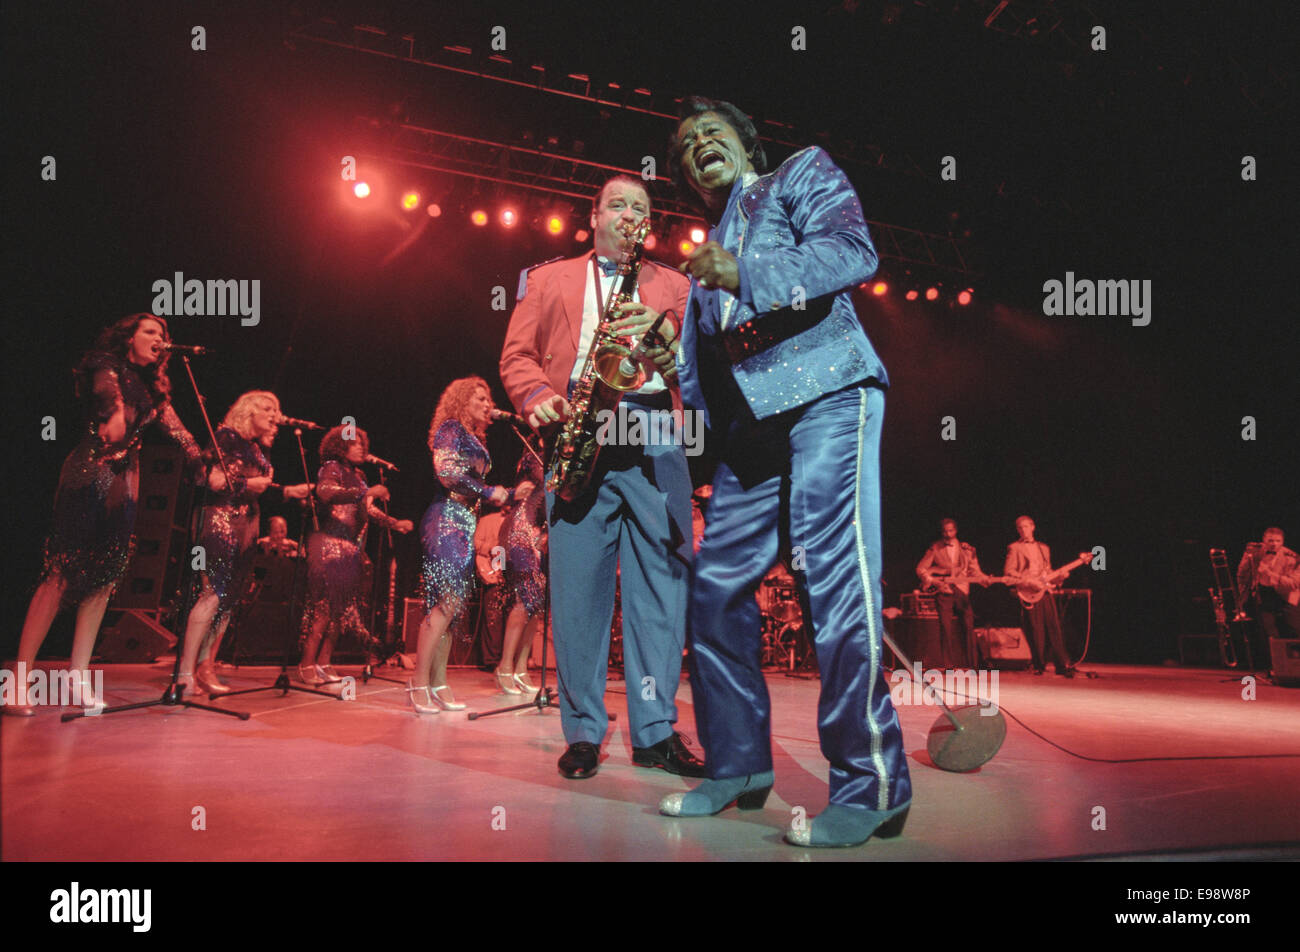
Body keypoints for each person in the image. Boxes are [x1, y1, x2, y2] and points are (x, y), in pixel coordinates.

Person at [660, 96, 910, 847]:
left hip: (830, 393)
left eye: (714, 131)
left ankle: (872, 784)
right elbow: (710, 358)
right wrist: (663, 360)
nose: (701, 142)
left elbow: (851, 252)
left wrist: (745, 269)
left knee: (833, 581)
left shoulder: (799, 173)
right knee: (714, 590)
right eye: (686, 143)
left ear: (745, 142)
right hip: (751, 433)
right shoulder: (705, 250)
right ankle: (736, 764)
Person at [500, 174, 705, 779]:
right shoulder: (547, 277)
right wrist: (534, 393)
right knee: (578, 595)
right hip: (578, 431)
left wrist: (668, 343)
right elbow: (517, 356)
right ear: (594, 218)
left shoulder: (675, 285)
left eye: (640, 208)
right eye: (618, 204)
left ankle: (654, 732)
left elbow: (695, 370)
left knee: (662, 592)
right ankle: (584, 732)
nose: (629, 214)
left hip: (655, 435)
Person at [5, 314, 201, 716]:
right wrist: (114, 413)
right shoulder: (104, 364)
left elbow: (179, 433)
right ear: (129, 337)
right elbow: (106, 392)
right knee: (62, 572)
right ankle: (18, 679)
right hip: (90, 470)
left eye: (163, 334)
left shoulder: (154, 390)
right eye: (150, 331)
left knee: (105, 577)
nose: (159, 338)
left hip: (126, 482)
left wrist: (204, 463)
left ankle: (78, 677)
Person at [176, 392, 310, 697]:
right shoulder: (226, 437)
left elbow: (257, 489)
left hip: (247, 524)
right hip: (219, 519)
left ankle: (206, 666)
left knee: (229, 599)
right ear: (247, 412)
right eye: (267, 409)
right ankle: (185, 671)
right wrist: (248, 485)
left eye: (277, 410)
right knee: (211, 594)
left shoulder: (256, 449)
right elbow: (211, 480)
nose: (274, 416)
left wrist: (287, 492)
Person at [412, 377, 532, 713]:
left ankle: (438, 682)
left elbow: (479, 487)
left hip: (466, 519)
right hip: (446, 518)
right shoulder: (451, 428)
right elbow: (448, 473)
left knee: (452, 610)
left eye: (487, 398)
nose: (486, 403)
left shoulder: (473, 439)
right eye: (478, 398)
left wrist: (508, 494)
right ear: (462, 401)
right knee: (444, 604)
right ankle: (418, 683)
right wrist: (489, 492)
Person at [299, 424, 413, 685]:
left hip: (350, 548)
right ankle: (306, 664)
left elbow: (367, 510)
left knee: (339, 612)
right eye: (354, 443)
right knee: (323, 610)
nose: (361, 447)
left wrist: (393, 523)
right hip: (329, 544)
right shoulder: (332, 467)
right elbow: (325, 492)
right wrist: (367, 492)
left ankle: (324, 662)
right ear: (340, 447)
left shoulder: (358, 474)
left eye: (363, 442)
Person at [495, 442, 547, 694]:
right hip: (519, 531)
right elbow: (549, 479)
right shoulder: (532, 455)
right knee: (522, 600)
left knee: (535, 604)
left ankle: (521, 667)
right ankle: (504, 665)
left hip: (537, 533)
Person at [1003, 516, 1076, 678]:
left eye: (1026, 527)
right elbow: (1009, 572)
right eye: (1020, 528)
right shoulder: (1014, 548)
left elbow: (1047, 571)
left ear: (1033, 527)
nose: (1023, 530)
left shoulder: (1044, 548)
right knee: (1035, 629)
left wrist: (1059, 577)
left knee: (1054, 627)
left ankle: (1062, 664)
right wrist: (1028, 581)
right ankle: (1038, 664)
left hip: (1045, 590)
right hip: (1029, 591)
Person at [916, 518, 989, 668]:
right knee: (945, 627)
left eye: (950, 531)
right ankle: (948, 665)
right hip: (944, 590)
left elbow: (975, 570)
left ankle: (972, 664)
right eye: (945, 531)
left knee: (968, 625)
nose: (948, 534)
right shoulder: (935, 548)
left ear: (955, 531)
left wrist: (984, 579)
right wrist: (935, 582)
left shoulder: (966, 549)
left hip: (962, 589)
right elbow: (920, 569)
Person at [1237, 528, 1300, 641]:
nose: (1274, 544)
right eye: (1270, 541)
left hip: (1286, 596)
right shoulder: (1256, 552)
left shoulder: (1292, 557)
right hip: (1263, 595)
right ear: (1264, 540)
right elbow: (1241, 574)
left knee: (1294, 631)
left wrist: (1268, 572)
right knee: (1268, 633)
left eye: (1278, 541)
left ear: (1282, 541)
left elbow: (1293, 584)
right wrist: (1249, 556)